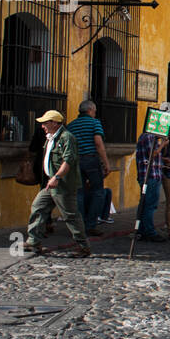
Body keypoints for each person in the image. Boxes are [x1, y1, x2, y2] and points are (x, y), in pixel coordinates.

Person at [24, 110, 90, 257]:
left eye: (45, 123)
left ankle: (83, 246)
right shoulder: (50, 138)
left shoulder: (67, 138)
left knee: (70, 215)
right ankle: (33, 240)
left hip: (63, 184)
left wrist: (57, 177)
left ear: (54, 123)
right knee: (38, 206)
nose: (42, 126)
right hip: (51, 182)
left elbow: (68, 160)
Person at [66, 99, 110, 237]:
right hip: (91, 160)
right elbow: (98, 143)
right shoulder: (94, 123)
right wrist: (106, 162)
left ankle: (79, 225)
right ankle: (91, 224)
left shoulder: (71, 125)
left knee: (79, 193)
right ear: (90, 110)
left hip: (75, 162)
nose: (95, 113)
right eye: (94, 111)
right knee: (98, 192)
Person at [134, 128, 165, 242]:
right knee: (150, 205)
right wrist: (163, 144)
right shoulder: (149, 137)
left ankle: (142, 230)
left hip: (150, 174)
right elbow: (153, 154)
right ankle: (149, 231)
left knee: (144, 203)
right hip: (150, 175)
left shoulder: (146, 137)